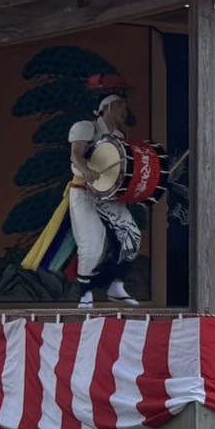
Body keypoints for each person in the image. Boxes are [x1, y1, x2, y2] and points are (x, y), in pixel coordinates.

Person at [68, 75, 142, 308]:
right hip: (84, 191)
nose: (125, 111)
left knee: (132, 237)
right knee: (92, 244)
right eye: (120, 105)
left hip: (110, 195)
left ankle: (116, 286)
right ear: (108, 106)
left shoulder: (120, 138)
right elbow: (76, 155)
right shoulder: (86, 127)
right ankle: (85, 293)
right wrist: (87, 170)